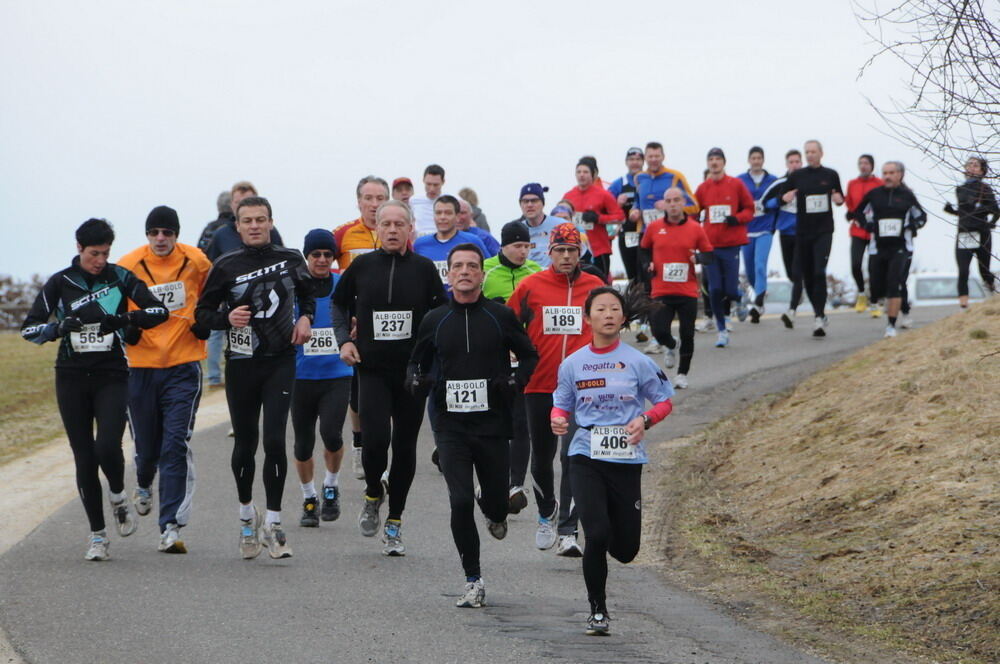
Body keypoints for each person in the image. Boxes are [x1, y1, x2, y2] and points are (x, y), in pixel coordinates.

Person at [21, 218, 168, 560]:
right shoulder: (61, 282)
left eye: (105, 253)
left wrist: (125, 319)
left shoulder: (120, 277)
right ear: (79, 249)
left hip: (112, 374)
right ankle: (98, 536)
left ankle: (118, 496)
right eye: (93, 254)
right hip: (70, 376)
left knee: (107, 446)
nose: (100, 260)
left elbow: (158, 311)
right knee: (84, 457)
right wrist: (57, 328)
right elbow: (29, 330)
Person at [408, 243, 538, 607]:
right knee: (460, 500)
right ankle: (473, 579)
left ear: (482, 274)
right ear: (448, 275)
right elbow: (415, 363)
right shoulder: (435, 319)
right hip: (450, 426)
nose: (464, 271)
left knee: (496, 507)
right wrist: (417, 382)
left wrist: (515, 381)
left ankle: (494, 509)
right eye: (458, 266)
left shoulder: (500, 316)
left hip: (493, 425)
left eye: (472, 266)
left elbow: (528, 355)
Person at [195, 196, 314, 561]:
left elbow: (309, 294)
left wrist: (306, 318)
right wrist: (225, 320)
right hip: (243, 363)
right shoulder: (226, 265)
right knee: (245, 443)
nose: (255, 226)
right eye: (247, 221)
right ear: (237, 226)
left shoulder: (292, 258)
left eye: (261, 219)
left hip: (280, 360)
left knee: (275, 439)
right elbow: (200, 318)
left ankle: (274, 523)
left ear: (271, 221)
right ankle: (247, 516)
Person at [551, 286, 674, 636]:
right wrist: (558, 418)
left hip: (625, 458)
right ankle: (598, 610)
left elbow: (665, 401)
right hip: (585, 454)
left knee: (626, 550)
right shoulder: (572, 364)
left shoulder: (638, 361)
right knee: (597, 533)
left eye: (614, 309)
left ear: (623, 318)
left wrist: (646, 420)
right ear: (587, 317)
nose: (607, 314)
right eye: (600, 309)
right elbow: (561, 404)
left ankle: (614, 562)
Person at [332, 200, 447, 555]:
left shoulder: (425, 268)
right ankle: (372, 495)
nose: (394, 230)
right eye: (387, 224)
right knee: (376, 441)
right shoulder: (363, 265)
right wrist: (345, 340)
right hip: (372, 369)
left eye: (400, 224)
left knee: (405, 447)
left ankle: (395, 520)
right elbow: (338, 303)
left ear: (411, 229)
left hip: (412, 373)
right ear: (377, 229)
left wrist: (434, 356)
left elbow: (441, 311)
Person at [117, 206, 212, 553]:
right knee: (146, 447)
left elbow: (213, 292)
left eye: (167, 233)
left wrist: (205, 319)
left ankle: (170, 525)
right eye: (154, 232)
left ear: (176, 234)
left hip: (183, 365)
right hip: (140, 367)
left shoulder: (196, 260)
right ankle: (143, 483)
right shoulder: (129, 265)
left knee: (175, 445)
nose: (161, 239)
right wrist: (127, 328)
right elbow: (114, 307)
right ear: (147, 235)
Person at [508, 223, 605, 557]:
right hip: (539, 384)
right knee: (543, 457)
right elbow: (509, 325)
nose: (566, 257)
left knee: (574, 456)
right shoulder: (531, 286)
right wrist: (517, 359)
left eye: (572, 251)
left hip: (581, 389)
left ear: (580, 253)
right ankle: (546, 510)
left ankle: (568, 529)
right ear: (549, 252)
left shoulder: (595, 287)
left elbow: (610, 327)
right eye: (560, 250)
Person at [291, 230, 353, 527]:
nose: (322, 260)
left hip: (337, 374)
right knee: (303, 444)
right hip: (300, 376)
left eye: (328, 255)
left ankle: (330, 485)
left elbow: (358, 315)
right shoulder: (294, 286)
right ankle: (308, 497)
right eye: (316, 254)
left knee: (332, 434)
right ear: (307, 256)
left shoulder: (342, 284)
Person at [482, 222, 542, 514]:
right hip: (491, 355)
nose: (522, 251)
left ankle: (514, 484)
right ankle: (490, 479)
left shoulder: (536, 273)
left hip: (523, 356)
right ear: (503, 246)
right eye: (516, 246)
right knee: (493, 421)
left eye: (526, 246)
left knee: (521, 422)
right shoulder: (486, 270)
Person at [333, 176, 390, 480]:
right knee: (356, 393)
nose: (374, 204)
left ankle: (379, 452)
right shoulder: (342, 234)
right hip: (355, 321)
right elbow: (326, 276)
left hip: (387, 321)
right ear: (358, 201)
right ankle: (358, 442)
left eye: (380, 197)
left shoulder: (396, 232)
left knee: (383, 390)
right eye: (368, 198)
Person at [205, 181, 283, 388]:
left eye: (259, 219)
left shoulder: (271, 233)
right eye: (239, 202)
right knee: (216, 336)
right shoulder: (221, 233)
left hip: (267, 306)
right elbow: (207, 263)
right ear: (233, 207)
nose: (254, 226)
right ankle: (213, 377)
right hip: (230, 303)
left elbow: (285, 265)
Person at [639, 188, 714, 389]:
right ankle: (671, 345)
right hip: (661, 290)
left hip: (686, 290)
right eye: (669, 200)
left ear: (683, 203)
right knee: (659, 330)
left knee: (687, 333)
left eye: (676, 200)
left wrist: (697, 258)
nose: (672, 204)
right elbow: (643, 250)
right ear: (664, 204)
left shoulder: (695, 228)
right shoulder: (654, 228)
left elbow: (709, 255)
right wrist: (648, 265)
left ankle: (682, 374)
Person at [633, 142, 700, 348]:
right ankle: (654, 333)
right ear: (646, 158)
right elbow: (638, 200)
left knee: (663, 287)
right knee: (646, 285)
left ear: (663, 156)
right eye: (650, 156)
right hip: (646, 236)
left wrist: (669, 207)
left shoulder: (675, 177)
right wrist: (634, 211)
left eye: (657, 156)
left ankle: (660, 335)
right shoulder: (639, 178)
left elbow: (695, 205)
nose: (653, 159)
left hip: (671, 236)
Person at [780, 140, 844, 337]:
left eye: (813, 152)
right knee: (806, 275)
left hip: (824, 231)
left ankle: (819, 316)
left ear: (821, 153)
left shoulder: (830, 174)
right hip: (803, 231)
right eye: (807, 152)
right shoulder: (798, 176)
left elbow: (840, 197)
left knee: (819, 272)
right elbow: (782, 196)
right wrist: (786, 197)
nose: (810, 155)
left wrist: (838, 199)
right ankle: (819, 315)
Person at [857, 161, 927, 337]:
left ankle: (891, 325)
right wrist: (868, 225)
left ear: (900, 175)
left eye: (891, 173)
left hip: (900, 246)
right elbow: (857, 212)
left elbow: (922, 216)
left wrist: (912, 225)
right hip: (877, 247)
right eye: (885, 173)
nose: (887, 176)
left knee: (894, 283)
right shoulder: (874, 194)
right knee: (876, 287)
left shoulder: (907, 195)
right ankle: (886, 309)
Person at [694, 148, 755, 348]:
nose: (714, 162)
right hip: (709, 246)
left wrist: (737, 218)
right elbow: (694, 211)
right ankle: (721, 331)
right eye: (710, 159)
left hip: (730, 245)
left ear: (724, 162)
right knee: (715, 289)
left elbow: (749, 209)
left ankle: (739, 297)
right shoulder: (703, 188)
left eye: (718, 159)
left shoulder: (736, 184)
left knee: (728, 288)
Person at [945, 156, 998, 307]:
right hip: (964, 233)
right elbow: (964, 212)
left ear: (982, 171)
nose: (972, 168)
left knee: (984, 269)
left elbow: (996, 210)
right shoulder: (960, 189)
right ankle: (963, 304)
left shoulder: (985, 189)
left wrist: (991, 223)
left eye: (976, 165)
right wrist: (951, 211)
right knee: (963, 270)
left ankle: (991, 291)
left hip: (982, 233)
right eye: (969, 165)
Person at [761, 150, 805, 328]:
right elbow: (765, 204)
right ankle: (798, 291)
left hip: (804, 233)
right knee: (790, 273)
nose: (794, 165)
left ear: (801, 163)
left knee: (797, 272)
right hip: (786, 233)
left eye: (797, 161)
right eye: (791, 162)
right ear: (787, 164)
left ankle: (791, 310)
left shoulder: (808, 182)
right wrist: (781, 199)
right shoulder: (780, 183)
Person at [736, 147, 779, 323]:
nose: (756, 161)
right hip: (747, 230)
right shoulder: (740, 180)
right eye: (753, 158)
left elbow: (780, 200)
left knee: (760, 264)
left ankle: (758, 301)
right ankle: (759, 298)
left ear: (763, 160)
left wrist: (768, 204)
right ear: (749, 160)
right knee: (750, 270)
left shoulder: (773, 180)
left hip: (765, 229)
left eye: (759, 158)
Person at [561, 159, 625, 276]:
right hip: (575, 249)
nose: (581, 175)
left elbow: (620, 217)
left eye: (585, 172)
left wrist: (598, 218)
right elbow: (559, 218)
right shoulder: (569, 195)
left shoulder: (603, 194)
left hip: (598, 249)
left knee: (600, 284)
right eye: (579, 172)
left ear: (593, 175)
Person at [414, 195, 488, 287]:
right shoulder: (420, 244)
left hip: (464, 299)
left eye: (448, 213)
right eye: (438, 213)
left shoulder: (473, 241)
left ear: (457, 217)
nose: (442, 217)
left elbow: (488, 271)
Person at [845, 155, 884, 314]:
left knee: (874, 268)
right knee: (855, 264)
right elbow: (850, 205)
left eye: (866, 163)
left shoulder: (879, 184)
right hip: (858, 230)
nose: (863, 166)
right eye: (860, 163)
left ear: (872, 166)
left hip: (875, 231)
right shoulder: (852, 184)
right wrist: (850, 214)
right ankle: (861, 293)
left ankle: (874, 302)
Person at [607, 148, 646, 283]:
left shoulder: (649, 180)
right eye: (631, 160)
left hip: (648, 233)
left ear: (643, 161)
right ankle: (636, 302)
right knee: (632, 274)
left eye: (638, 160)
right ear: (626, 162)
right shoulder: (619, 184)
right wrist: (617, 204)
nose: (634, 163)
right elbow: (606, 210)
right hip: (628, 234)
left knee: (648, 272)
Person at [511, 183, 561, 268]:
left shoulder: (560, 225)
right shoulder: (515, 230)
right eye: (525, 201)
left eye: (534, 201)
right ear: (520, 205)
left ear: (543, 203)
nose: (529, 205)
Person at [409, 164, 447, 237]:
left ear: (443, 182)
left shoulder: (452, 200)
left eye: (435, 185)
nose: (432, 189)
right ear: (423, 180)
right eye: (428, 184)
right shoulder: (414, 200)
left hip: (442, 238)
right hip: (420, 240)